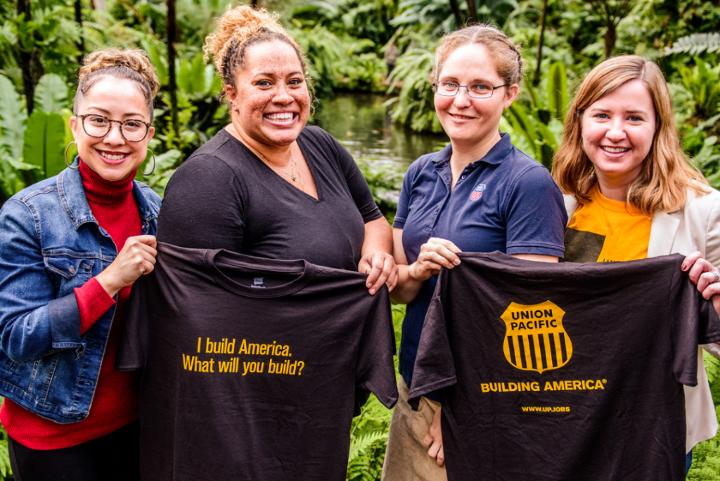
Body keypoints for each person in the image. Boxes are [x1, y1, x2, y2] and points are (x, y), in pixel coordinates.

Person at [383, 25, 567, 481]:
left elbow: (530, 315)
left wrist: (462, 409)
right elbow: (400, 292)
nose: (460, 100)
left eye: (480, 87)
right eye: (450, 85)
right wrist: (420, 270)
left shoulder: (527, 184)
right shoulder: (420, 173)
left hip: (480, 400)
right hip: (416, 387)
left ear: (510, 94)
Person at [552, 54, 720, 475]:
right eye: (602, 115)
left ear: (658, 127)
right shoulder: (554, 206)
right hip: (562, 423)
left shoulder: (704, 211)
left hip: (655, 429)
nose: (615, 132)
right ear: (580, 122)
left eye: (634, 118)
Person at [0, 49, 161, 481]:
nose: (115, 138)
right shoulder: (28, 215)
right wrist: (109, 281)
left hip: (138, 429)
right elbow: (14, 336)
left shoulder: (159, 214)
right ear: (75, 125)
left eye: (131, 124)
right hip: (52, 438)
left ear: (148, 134)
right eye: (99, 120)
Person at [156, 6, 396, 292]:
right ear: (231, 93)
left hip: (346, 333)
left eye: (294, 82)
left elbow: (374, 221)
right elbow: (194, 300)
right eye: (264, 83)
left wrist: (375, 255)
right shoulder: (207, 179)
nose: (283, 96)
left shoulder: (321, 144)